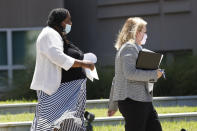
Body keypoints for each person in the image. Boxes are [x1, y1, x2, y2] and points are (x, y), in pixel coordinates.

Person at [30, 8, 94, 131]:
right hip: (56, 92)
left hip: (69, 91)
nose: (70, 23)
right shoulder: (49, 34)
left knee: (68, 124)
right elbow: (56, 56)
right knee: (48, 124)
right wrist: (82, 63)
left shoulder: (56, 34)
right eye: (68, 20)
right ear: (59, 22)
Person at [107, 17, 163, 131]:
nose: (145, 35)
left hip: (142, 100)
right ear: (137, 32)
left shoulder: (136, 48)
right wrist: (154, 74)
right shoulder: (129, 48)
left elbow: (117, 79)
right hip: (133, 101)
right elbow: (130, 73)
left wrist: (155, 74)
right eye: (144, 32)